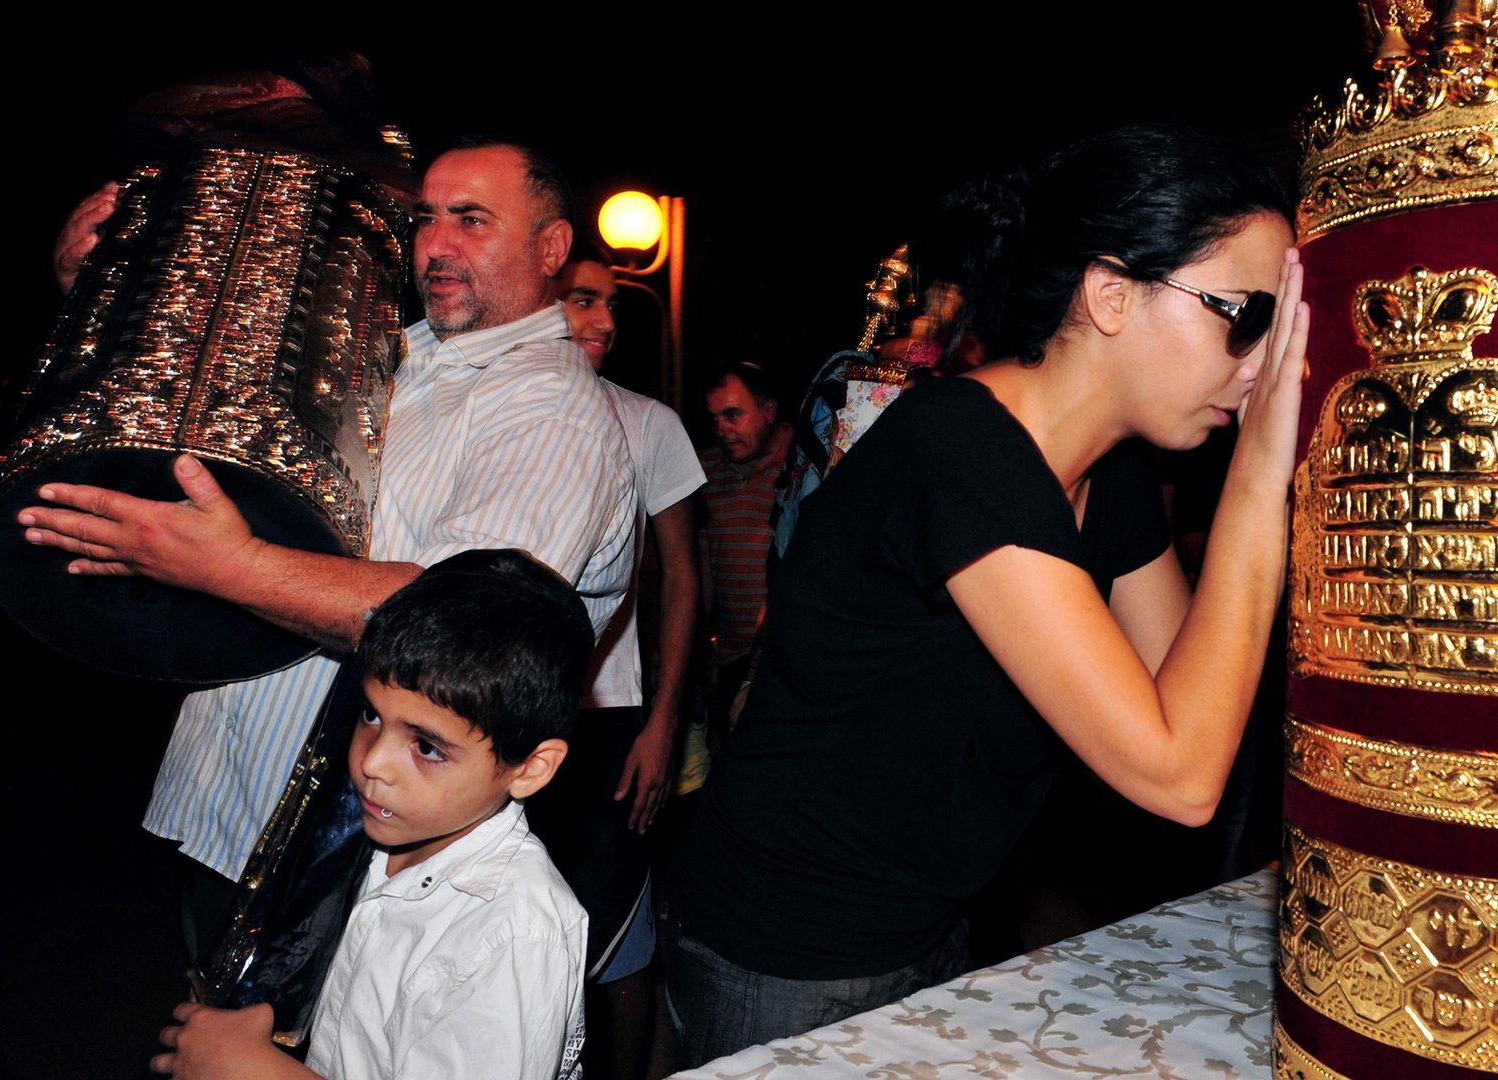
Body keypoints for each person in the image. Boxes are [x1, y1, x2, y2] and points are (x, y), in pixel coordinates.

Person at [663, 123, 1308, 1065]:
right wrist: (1258, 476)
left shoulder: (1113, 474)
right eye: (1244, 316)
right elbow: (1180, 774)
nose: (1257, 365)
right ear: (1112, 293)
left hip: (934, 921)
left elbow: (1190, 691)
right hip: (786, 946)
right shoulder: (959, 450)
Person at [20, 139, 637, 962]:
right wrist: (102, 289)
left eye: (472, 220)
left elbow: (461, 632)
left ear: (552, 248)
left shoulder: (551, 415)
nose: (436, 244)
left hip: (350, 863)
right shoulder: (396, 353)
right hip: (240, 812)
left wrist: (225, 567)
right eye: (425, 218)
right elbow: (201, 399)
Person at [152, 549, 594, 1080]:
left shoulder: (514, 935)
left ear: (531, 767)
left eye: (427, 747)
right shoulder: (387, 834)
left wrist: (252, 1069)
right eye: (369, 715)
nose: (371, 762)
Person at [528, 253, 703, 1080]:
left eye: (610, 306)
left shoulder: (647, 423)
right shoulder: (495, 412)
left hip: (609, 721)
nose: (603, 322)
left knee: (618, 932)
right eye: (580, 302)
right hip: (510, 714)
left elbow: (680, 579)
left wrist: (664, 723)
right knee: (520, 935)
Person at [695, 362, 791, 739]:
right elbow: (701, 572)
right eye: (714, 418)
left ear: (768, 412)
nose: (722, 430)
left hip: (788, 658)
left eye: (733, 414)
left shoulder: (806, 464)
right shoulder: (704, 471)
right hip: (731, 661)